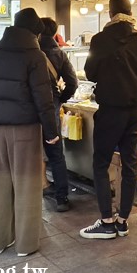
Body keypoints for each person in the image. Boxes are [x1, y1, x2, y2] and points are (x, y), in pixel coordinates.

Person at [0, 8, 59, 257]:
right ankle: (25, 244)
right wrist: (51, 131)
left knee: (1, 185)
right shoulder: (34, 55)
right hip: (25, 129)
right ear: (34, 33)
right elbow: (42, 97)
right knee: (26, 186)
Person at [80, 0, 137, 240]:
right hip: (134, 111)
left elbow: (90, 72)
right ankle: (123, 221)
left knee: (101, 163)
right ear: (130, 13)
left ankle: (107, 221)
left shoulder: (100, 40)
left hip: (110, 110)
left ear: (110, 14)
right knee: (130, 165)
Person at [38, 17, 79, 211]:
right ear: (55, 33)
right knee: (56, 155)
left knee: (32, 152)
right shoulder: (59, 54)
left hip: (30, 111)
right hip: (51, 109)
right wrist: (60, 98)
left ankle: (36, 190)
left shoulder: (30, 51)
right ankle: (62, 199)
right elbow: (73, 82)